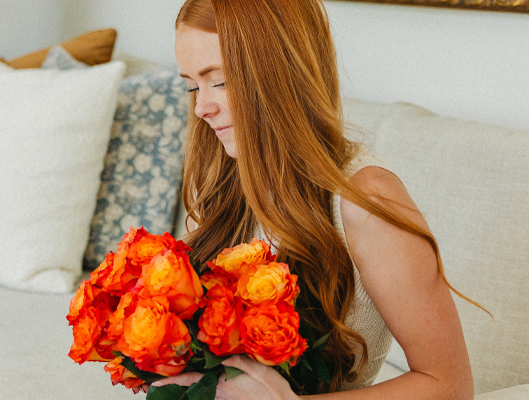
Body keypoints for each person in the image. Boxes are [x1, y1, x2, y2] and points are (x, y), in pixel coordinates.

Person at [155, 0, 477, 398]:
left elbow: (450, 386)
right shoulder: (231, 176)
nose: (201, 107)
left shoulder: (367, 200)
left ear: (282, 72)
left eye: (219, 81)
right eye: (192, 86)